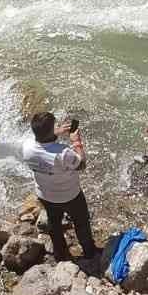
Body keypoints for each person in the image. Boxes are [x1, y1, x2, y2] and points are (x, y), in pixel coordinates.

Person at [21, 112, 101, 266]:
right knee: (81, 222)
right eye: (55, 126)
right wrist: (77, 142)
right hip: (70, 195)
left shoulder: (27, 147)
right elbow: (82, 164)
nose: (58, 127)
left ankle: (60, 253)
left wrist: (53, 133)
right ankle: (89, 252)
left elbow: (42, 144)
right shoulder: (63, 153)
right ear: (50, 132)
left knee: (54, 222)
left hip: (45, 195)